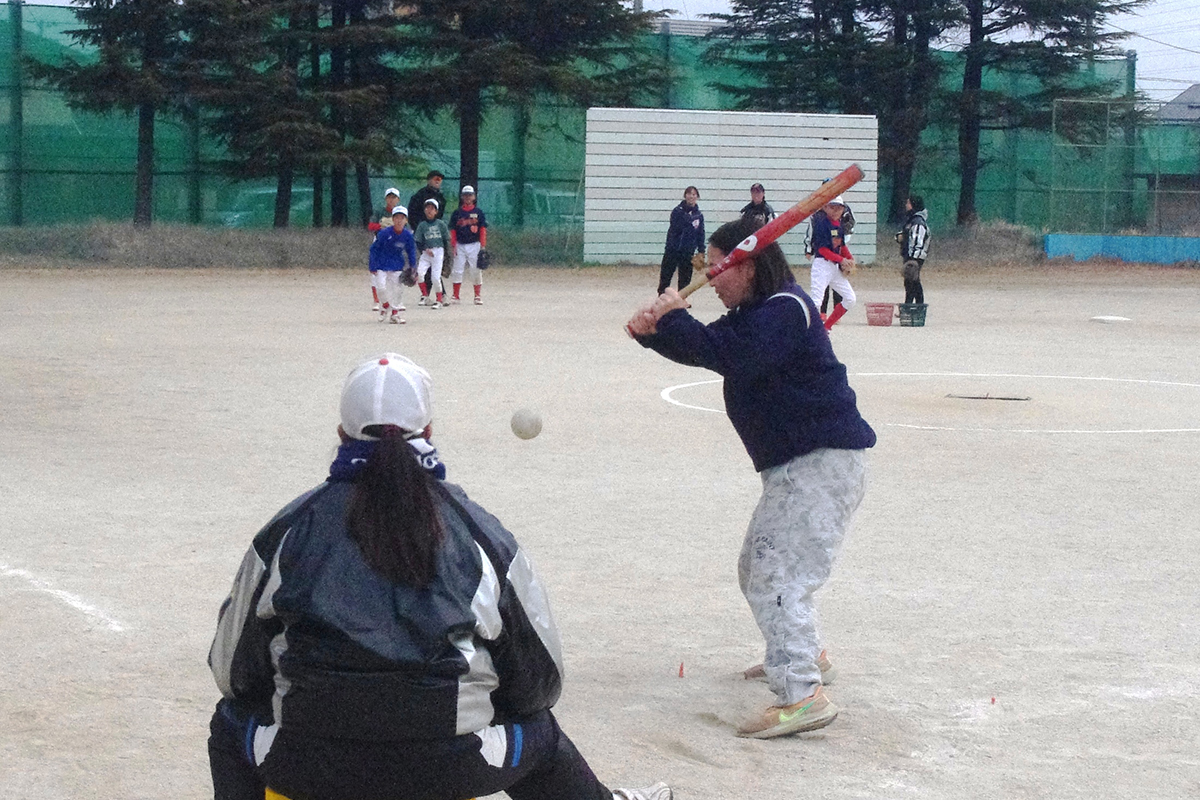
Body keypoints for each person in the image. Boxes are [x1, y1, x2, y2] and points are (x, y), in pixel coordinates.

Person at [206, 353, 673, 800]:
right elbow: (541, 679)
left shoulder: (285, 532)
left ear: (340, 434)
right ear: (428, 430)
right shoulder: (480, 533)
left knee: (228, 724)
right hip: (449, 765)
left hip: (307, 762)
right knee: (540, 735)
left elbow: (232, 671)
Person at [626, 216, 875, 740]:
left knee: (775, 572)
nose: (712, 278)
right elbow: (706, 348)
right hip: (802, 463)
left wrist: (672, 317)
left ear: (749, 264)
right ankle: (806, 655)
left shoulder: (785, 309)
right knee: (761, 567)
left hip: (820, 461)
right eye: (706, 268)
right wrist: (654, 334)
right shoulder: (755, 313)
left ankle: (802, 693)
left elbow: (733, 356)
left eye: (718, 268)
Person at [808, 195, 856, 330]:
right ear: (825, 207)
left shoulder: (839, 224)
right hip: (822, 265)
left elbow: (841, 246)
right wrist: (842, 260)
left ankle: (826, 327)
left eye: (839, 208)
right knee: (816, 303)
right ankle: (806, 331)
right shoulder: (822, 224)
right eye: (832, 207)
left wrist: (850, 259)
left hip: (833, 266)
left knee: (850, 298)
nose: (835, 211)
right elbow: (822, 249)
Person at [368, 207, 418, 323]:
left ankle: (395, 314)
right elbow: (374, 249)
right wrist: (372, 265)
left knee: (398, 290)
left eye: (402, 218)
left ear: (406, 220)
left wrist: (413, 267)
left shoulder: (407, 235)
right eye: (396, 218)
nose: (399, 220)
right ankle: (385, 305)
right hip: (382, 264)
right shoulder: (384, 233)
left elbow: (411, 251)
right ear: (393, 219)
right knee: (381, 288)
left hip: (396, 265)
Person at [658, 186, 704, 295]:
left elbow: (700, 233)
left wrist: (701, 250)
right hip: (673, 249)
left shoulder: (698, 215)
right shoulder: (677, 211)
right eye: (689, 194)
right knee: (666, 274)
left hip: (688, 251)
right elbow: (676, 226)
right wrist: (688, 218)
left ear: (697, 197)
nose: (691, 197)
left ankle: (682, 298)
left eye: (694, 194)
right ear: (685, 196)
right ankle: (661, 296)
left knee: (685, 276)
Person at [449, 185, 488, 305]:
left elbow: (482, 229)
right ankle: (456, 295)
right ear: (462, 197)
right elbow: (453, 230)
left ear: (474, 197)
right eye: (465, 195)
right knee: (457, 270)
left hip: (474, 245)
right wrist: (453, 244)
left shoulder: (478, 212)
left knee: (475, 270)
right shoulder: (457, 213)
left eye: (470, 195)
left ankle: (477, 295)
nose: (468, 197)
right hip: (460, 245)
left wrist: (483, 246)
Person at [368, 188, 402, 311]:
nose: (391, 199)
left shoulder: (400, 212)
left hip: (394, 244)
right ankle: (377, 300)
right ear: (386, 198)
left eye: (394, 197)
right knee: (376, 273)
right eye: (389, 197)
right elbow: (371, 226)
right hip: (379, 242)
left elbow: (406, 228)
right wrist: (382, 225)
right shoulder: (379, 212)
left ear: (398, 199)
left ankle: (396, 301)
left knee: (395, 273)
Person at [415, 199, 452, 307]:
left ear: (436, 211)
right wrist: (425, 249)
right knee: (420, 274)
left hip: (438, 251)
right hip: (426, 252)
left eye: (432, 208)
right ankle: (425, 296)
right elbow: (418, 241)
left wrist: (446, 255)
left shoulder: (441, 224)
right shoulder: (422, 225)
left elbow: (446, 240)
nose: (429, 210)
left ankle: (439, 300)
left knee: (435, 277)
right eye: (427, 208)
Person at [896, 195, 930, 305]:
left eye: (908, 203)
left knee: (913, 282)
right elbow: (907, 236)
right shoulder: (912, 220)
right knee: (909, 282)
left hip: (915, 257)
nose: (906, 205)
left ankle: (918, 306)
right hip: (910, 255)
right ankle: (909, 305)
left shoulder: (918, 222)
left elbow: (917, 241)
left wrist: (913, 259)